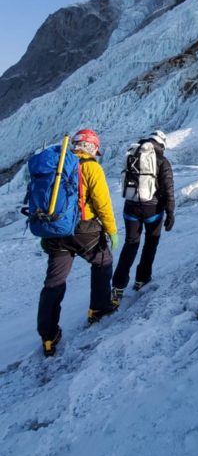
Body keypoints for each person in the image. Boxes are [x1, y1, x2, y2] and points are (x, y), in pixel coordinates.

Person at [37, 128, 119, 356]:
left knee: (54, 281)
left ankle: (48, 336)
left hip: (56, 231)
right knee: (103, 262)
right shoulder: (91, 167)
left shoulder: (56, 166)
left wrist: (46, 234)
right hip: (85, 231)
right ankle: (99, 308)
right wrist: (112, 231)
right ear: (92, 147)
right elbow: (103, 204)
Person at [112, 130, 175, 301]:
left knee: (130, 244)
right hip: (152, 210)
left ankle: (117, 286)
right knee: (150, 244)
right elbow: (168, 190)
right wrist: (170, 214)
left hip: (131, 208)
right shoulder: (162, 161)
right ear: (162, 144)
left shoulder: (133, 154)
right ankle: (142, 278)